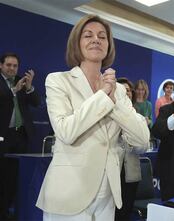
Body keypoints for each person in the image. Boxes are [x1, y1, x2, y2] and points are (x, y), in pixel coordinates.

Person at [36, 15, 149, 220]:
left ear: (108, 45)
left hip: (107, 196)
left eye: (102, 36)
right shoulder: (58, 80)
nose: (96, 39)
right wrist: (103, 96)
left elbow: (142, 140)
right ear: (77, 44)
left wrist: (113, 99)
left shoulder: (119, 91)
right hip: (69, 194)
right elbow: (66, 131)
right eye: (88, 35)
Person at [0, 53, 40, 220]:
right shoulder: (7, 84)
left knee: (15, 177)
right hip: (3, 135)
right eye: (9, 65)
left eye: (15, 66)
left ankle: (10, 211)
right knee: (2, 176)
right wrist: (13, 91)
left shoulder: (21, 82)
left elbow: (37, 103)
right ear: (1, 65)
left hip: (21, 136)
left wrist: (29, 87)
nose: (12, 69)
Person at [115, 77, 149, 221]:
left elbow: (144, 146)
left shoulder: (138, 117)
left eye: (128, 90)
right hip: (112, 174)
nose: (125, 93)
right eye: (121, 90)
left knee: (125, 213)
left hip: (130, 174)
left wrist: (131, 141)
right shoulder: (108, 115)